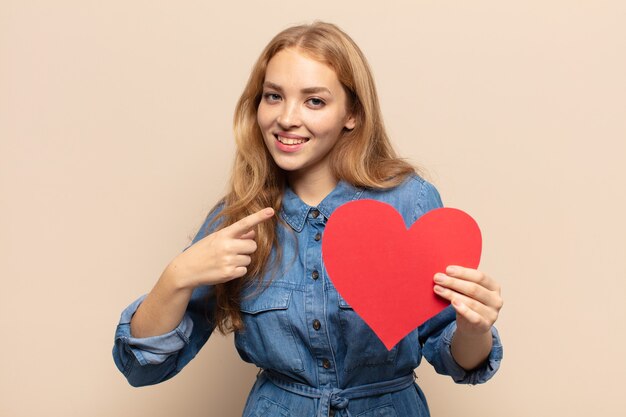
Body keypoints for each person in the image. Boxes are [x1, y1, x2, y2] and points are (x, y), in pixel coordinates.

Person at [113, 21, 503, 417]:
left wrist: (475, 329)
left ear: (351, 113)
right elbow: (144, 367)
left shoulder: (411, 202)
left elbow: (458, 359)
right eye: (273, 96)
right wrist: (177, 275)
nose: (287, 118)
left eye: (314, 101)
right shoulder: (239, 217)